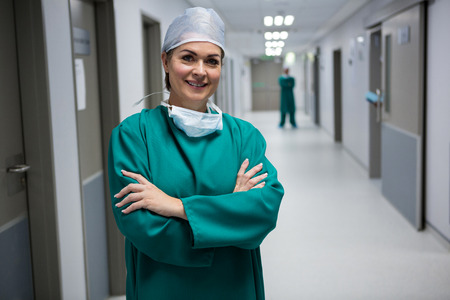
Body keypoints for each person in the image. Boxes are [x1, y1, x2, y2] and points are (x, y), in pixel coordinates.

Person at [108, 7, 284, 300]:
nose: (200, 71)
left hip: (234, 286)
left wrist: (175, 206)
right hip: (162, 285)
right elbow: (138, 224)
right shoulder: (134, 135)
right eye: (187, 57)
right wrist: (229, 217)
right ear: (165, 61)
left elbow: (263, 211)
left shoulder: (244, 136)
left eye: (211, 61)